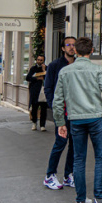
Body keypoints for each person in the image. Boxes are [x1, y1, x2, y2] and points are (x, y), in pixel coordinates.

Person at [54, 37, 102, 203]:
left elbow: (57, 100)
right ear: (92, 51)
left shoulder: (65, 71)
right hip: (96, 117)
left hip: (75, 119)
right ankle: (99, 197)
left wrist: (60, 122)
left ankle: (81, 199)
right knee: (100, 157)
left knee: (78, 159)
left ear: (75, 51)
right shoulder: (97, 70)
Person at [43, 37, 76, 191]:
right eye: (68, 45)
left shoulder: (78, 64)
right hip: (61, 111)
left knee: (74, 144)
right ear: (63, 48)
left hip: (75, 112)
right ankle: (50, 176)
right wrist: (54, 107)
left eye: (74, 45)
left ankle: (68, 175)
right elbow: (48, 87)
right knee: (60, 143)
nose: (71, 47)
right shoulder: (55, 65)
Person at [26, 55, 48, 131]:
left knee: (43, 109)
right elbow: (28, 78)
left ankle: (42, 125)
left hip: (43, 91)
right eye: (38, 59)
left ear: (44, 61)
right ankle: (34, 123)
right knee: (34, 108)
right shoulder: (33, 68)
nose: (39, 61)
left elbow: (49, 78)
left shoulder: (46, 68)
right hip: (35, 92)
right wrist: (37, 78)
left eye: (41, 60)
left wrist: (44, 70)